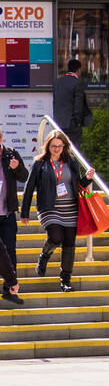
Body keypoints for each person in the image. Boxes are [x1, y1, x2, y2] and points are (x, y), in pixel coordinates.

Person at [20, 130, 95, 293]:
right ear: (48, 146)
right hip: (49, 208)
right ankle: (44, 256)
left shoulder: (71, 162)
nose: (57, 149)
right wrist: (24, 212)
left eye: (60, 146)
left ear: (64, 146)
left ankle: (65, 281)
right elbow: (28, 188)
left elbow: (78, 185)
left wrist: (88, 178)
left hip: (70, 208)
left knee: (69, 244)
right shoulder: (40, 164)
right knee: (55, 237)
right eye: (53, 146)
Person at [0, 129, 28, 306]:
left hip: (7, 213)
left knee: (10, 251)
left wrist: (16, 167)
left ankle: (9, 290)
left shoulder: (11, 154)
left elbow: (24, 176)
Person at [52, 57, 91, 151]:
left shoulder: (58, 82)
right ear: (78, 70)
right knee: (73, 151)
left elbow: (55, 101)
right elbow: (78, 106)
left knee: (60, 150)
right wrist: (78, 122)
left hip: (59, 123)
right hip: (72, 125)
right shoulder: (77, 83)